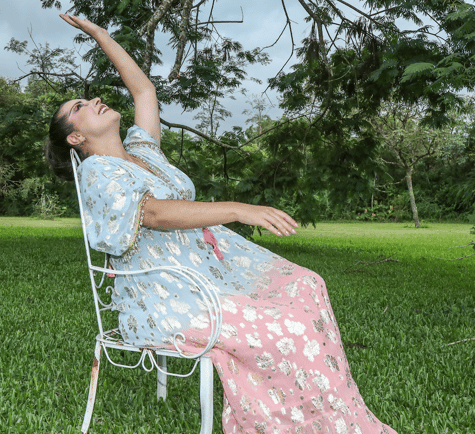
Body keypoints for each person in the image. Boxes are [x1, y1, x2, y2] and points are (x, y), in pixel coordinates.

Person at [45, 13, 398, 434]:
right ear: (75, 138)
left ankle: (329, 414)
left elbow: (144, 89)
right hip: (166, 295)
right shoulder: (98, 172)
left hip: (211, 273)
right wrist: (238, 208)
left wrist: (101, 35)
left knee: (306, 284)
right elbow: (153, 214)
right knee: (281, 324)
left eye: (86, 98)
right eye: (79, 109)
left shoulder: (143, 151)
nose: (92, 101)